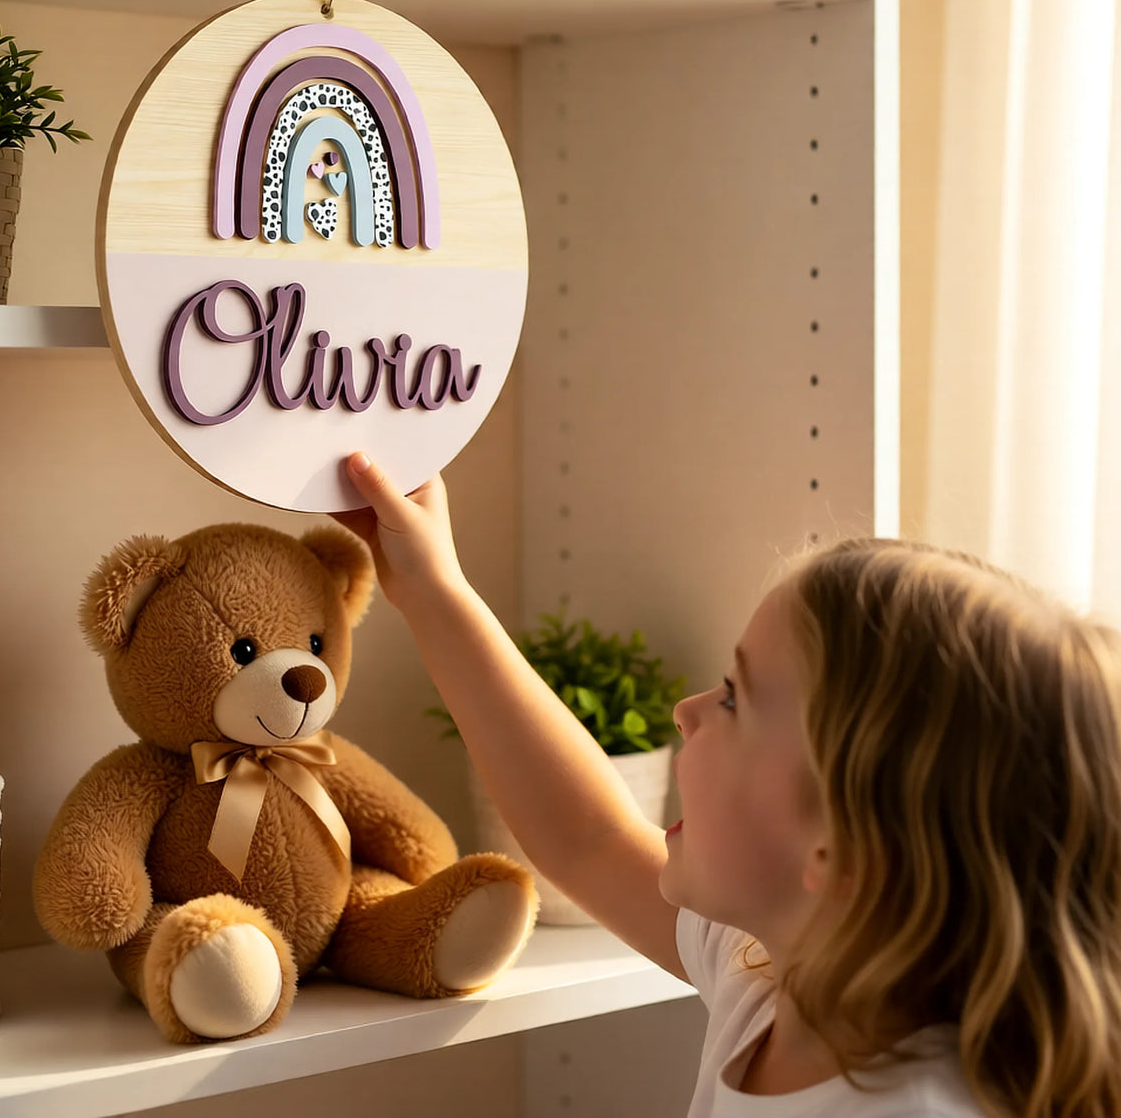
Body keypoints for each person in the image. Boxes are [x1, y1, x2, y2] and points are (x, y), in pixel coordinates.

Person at [332, 451, 1121, 1118]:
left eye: (736, 698)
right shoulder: (772, 980)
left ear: (842, 845)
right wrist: (434, 590)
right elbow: (588, 838)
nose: (684, 711)